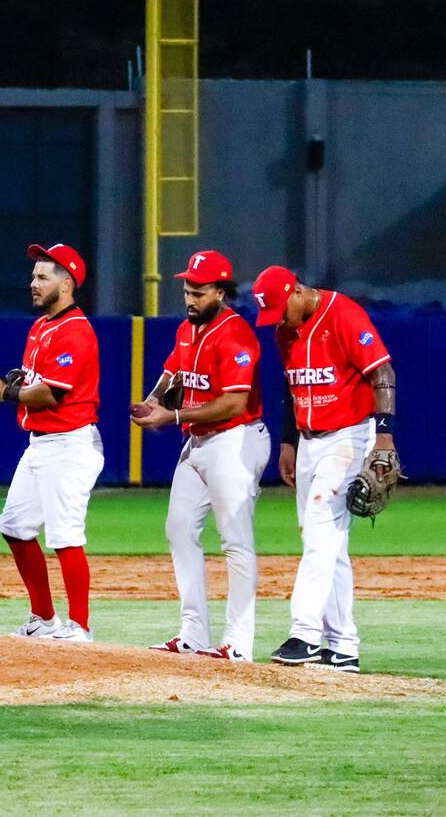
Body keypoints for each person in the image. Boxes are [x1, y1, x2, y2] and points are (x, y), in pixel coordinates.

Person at [251, 265, 397, 674]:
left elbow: (383, 372)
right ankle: (344, 646)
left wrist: (384, 438)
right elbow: (292, 385)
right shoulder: (285, 331)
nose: (278, 320)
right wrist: (288, 441)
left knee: (320, 532)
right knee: (327, 543)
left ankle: (304, 634)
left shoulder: (344, 315)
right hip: (308, 441)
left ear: (297, 291)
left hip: (348, 438)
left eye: (281, 310)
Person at [132, 251, 269, 661]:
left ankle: (239, 642)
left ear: (221, 292)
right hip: (198, 442)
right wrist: (152, 401)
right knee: (178, 529)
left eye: (199, 292)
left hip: (235, 440)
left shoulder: (236, 334)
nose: (190, 299)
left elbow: (233, 403)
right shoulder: (186, 330)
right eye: (187, 290)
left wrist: (172, 415)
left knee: (235, 540)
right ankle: (193, 632)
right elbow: (172, 373)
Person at [0, 243, 103, 643]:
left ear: (67, 284)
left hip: (70, 444)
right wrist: (13, 383)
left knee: (65, 535)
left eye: (43, 277)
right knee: (14, 526)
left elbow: (51, 394)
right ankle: (44, 618)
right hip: (41, 444)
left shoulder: (75, 330)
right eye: (33, 276)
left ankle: (79, 626)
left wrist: (4, 393)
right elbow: (33, 383)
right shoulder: (42, 326)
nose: (34, 283)